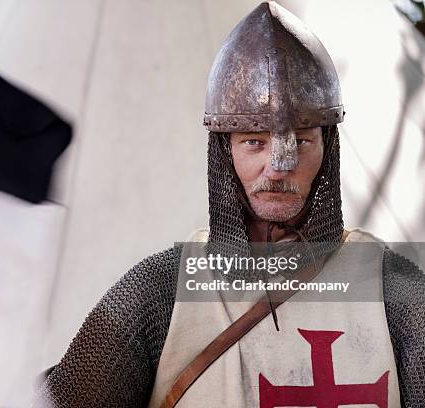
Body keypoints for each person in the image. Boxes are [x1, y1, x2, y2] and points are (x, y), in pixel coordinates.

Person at [34, 2, 425, 407]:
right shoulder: (160, 294)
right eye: (254, 142)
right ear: (225, 150)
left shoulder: (394, 291)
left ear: (327, 149)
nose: (277, 167)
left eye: (302, 140)